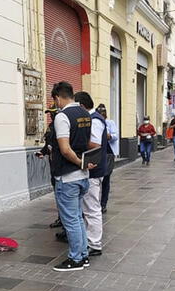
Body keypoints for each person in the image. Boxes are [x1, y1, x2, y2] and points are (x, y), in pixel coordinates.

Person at [48, 82, 97, 271]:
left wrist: (79, 163)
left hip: (68, 177)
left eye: (55, 101)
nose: (56, 104)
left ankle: (76, 258)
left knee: (71, 220)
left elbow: (65, 150)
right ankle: (83, 255)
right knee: (77, 218)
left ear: (58, 97)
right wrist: (85, 164)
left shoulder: (62, 116)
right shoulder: (85, 113)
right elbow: (88, 143)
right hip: (83, 177)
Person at [75, 92, 108, 258]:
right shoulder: (93, 118)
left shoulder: (95, 120)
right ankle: (91, 241)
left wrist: (76, 140)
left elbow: (94, 144)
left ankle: (94, 244)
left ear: (81, 105)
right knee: (89, 207)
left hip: (93, 171)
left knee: (91, 208)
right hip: (93, 169)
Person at [97, 104, 119, 214]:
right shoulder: (95, 123)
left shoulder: (110, 123)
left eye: (103, 113)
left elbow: (116, 136)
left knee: (106, 179)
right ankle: (96, 203)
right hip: (98, 154)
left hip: (109, 153)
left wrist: (108, 136)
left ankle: (103, 203)